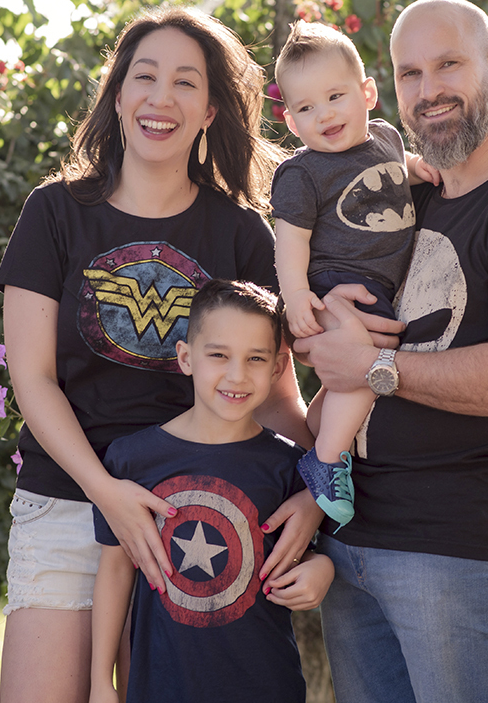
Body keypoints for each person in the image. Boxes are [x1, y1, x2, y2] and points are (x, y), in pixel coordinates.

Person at [0, 6, 323, 703]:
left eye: (184, 83)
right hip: (65, 498)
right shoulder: (53, 214)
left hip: (195, 513)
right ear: (118, 95)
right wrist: (106, 493)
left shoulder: (240, 234)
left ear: (208, 110)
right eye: (145, 77)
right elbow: (32, 377)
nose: (160, 98)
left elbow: (275, 394)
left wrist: (324, 496)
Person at [294, 0, 488, 703]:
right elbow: (351, 353)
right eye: (409, 73)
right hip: (352, 542)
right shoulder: (410, 196)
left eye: (448, 65)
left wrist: (373, 368)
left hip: (453, 552)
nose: (428, 89)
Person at [89, 279, 335, 703]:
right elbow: (114, 571)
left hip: (265, 684)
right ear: (186, 357)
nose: (236, 375)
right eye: (218, 355)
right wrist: (99, 682)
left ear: (278, 367)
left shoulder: (291, 464)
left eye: (255, 358)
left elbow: (301, 551)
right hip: (161, 687)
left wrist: (322, 570)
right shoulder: (132, 460)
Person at [270, 20, 429, 527]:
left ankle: (311, 444)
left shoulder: (384, 136)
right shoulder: (301, 173)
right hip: (332, 286)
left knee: (343, 385)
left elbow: (391, 159)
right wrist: (295, 294)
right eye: (306, 107)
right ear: (292, 122)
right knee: (365, 370)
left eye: (335, 96)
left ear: (367, 93)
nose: (325, 114)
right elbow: (290, 239)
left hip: (379, 288)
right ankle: (326, 463)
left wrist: (417, 165)